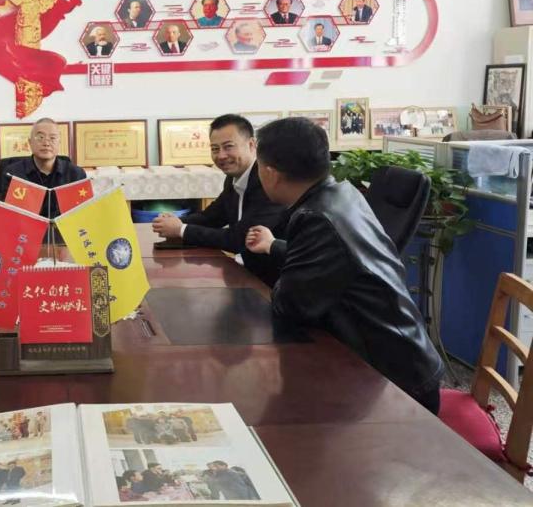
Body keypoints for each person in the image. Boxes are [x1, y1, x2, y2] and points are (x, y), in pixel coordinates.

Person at [244, 118, 444, 414]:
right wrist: (278, 251)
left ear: (271, 174)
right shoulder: (341, 193)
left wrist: (283, 273)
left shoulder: (315, 217)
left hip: (395, 384)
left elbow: (291, 304)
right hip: (391, 360)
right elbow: (333, 260)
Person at [152, 115, 286, 285]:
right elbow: (212, 217)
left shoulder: (266, 181)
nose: (221, 155)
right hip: (244, 270)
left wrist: (181, 230)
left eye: (228, 147)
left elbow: (240, 240)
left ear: (251, 145)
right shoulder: (234, 177)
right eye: (215, 149)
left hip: (272, 281)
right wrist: (174, 221)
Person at [0, 118, 87, 219]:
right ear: (30, 142)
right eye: (40, 137)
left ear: (59, 143)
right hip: (25, 227)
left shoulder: (76, 174)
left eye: (52, 138)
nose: (46, 143)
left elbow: (82, 215)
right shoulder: (13, 174)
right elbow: (6, 215)